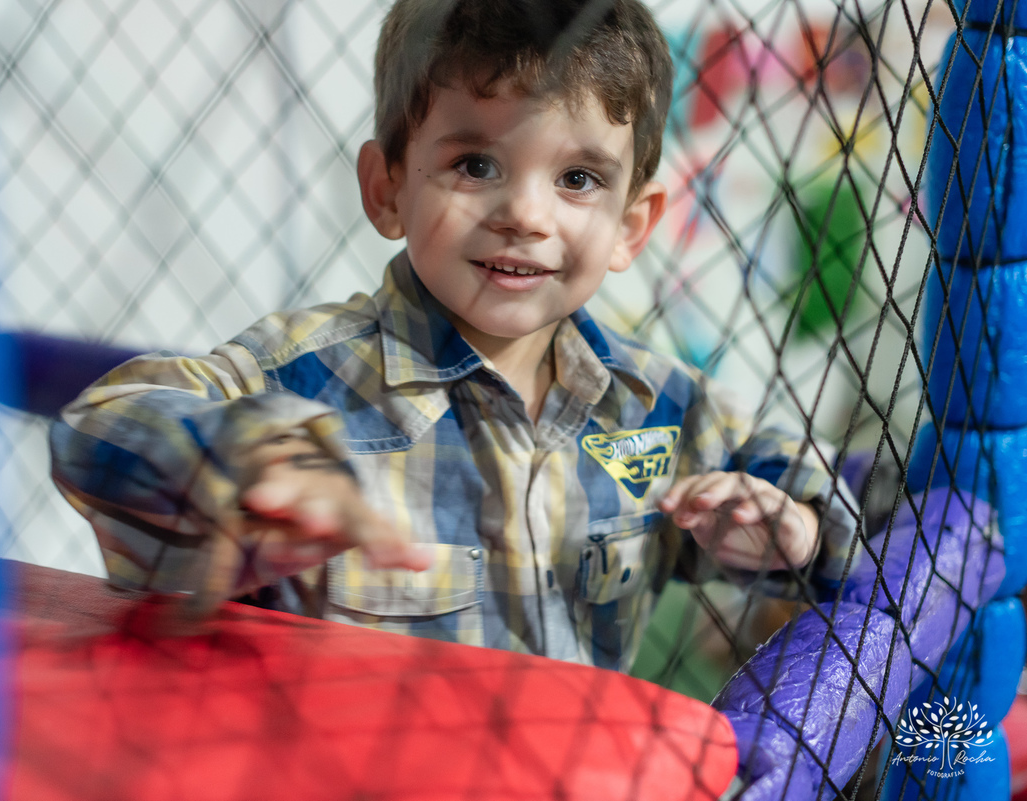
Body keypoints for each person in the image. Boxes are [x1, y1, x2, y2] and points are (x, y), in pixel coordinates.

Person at [50, 0, 856, 672]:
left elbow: (803, 483)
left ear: (631, 225)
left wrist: (794, 528)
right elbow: (99, 423)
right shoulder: (311, 377)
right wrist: (245, 458)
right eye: (476, 165)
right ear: (387, 188)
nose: (526, 215)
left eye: (577, 179)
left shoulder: (655, 405)